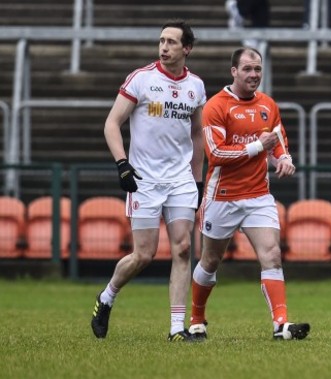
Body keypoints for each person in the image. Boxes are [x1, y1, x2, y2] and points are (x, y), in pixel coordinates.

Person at [91, 19, 207, 343]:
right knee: (144, 255)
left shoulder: (196, 86)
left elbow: (198, 134)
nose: (164, 47)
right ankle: (107, 297)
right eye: (161, 41)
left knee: (183, 249)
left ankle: (176, 329)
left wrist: (197, 181)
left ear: (187, 49)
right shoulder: (141, 80)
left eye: (171, 42)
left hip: (180, 178)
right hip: (144, 178)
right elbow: (112, 124)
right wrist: (122, 165)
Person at [188, 47, 310, 341]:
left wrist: (283, 158)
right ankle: (197, 319)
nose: (254, 74)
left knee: (272, 255)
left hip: (258, 196)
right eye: (247, 69)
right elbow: (215, 154)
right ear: (234, 71)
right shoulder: (216, 106)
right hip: (222, 196)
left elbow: (277, 138)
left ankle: (280, 324)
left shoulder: (268, 104)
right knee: (210, 261)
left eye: (258, 69)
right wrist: (258, 146)